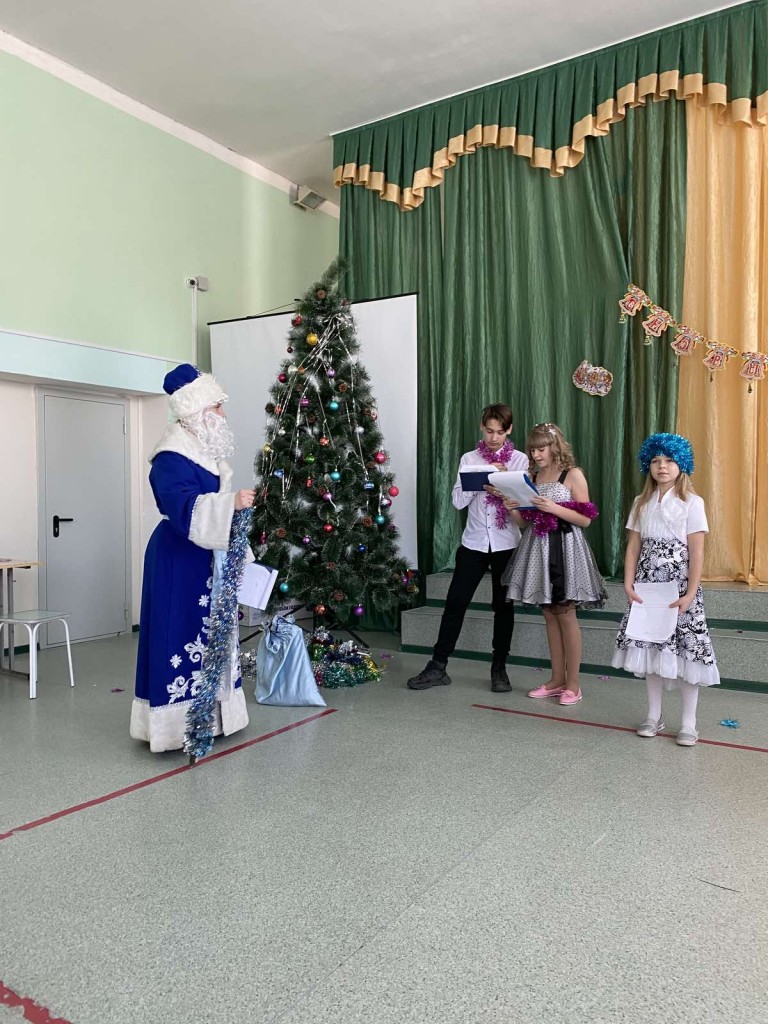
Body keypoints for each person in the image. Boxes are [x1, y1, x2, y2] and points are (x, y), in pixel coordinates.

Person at [131, 363, 255, 753]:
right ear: (196, 408)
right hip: (179, 559)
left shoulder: (204, 450)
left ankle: (216, 716)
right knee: (179, 630)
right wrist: (230, 503)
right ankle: (175, 726)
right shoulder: (171, 455)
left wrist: (235, 509)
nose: (223, 414)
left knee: (214, 633)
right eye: (217, 406)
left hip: (207, 556)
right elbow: (182, 505)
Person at [407, 404, 529, 693]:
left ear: (509, 430)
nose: (494, 438)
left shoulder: (520, 460)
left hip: (506, 543)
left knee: (503, 607)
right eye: (489, 431)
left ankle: (499, 668)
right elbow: (457, 502)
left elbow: (525, 504)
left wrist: (504, 485)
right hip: (473, 542)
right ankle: (438, 666)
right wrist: (482, 479)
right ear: (482, 427)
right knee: (455, 603)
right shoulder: (469, 458)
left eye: (500, 432)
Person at [613, 433, 719, 746]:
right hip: (649, 587)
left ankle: (689, 722)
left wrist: (691, 593)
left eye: (670, 460)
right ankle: (653, 715)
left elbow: (697, 551)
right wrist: (629, 582)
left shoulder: (692, 503)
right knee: (651, 647)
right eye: (656, 460)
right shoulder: (641, 503)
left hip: (680, 588)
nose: (662, 466)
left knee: (687, 651)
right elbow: (634, 546)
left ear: (681, 464)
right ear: (648, 465)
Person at [501, 423, 606, 705]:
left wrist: (554, 508)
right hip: (538, 548)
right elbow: (525, 523)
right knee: (549, 614)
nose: (536, 454)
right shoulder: (532, 477)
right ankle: (557, 679)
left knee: (566, 614)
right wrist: (513, 509)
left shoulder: (572, 474)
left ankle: (574, 684)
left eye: (541, 449)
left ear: (555, 446)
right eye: (532, 449)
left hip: (566, 548)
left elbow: (586, 519)